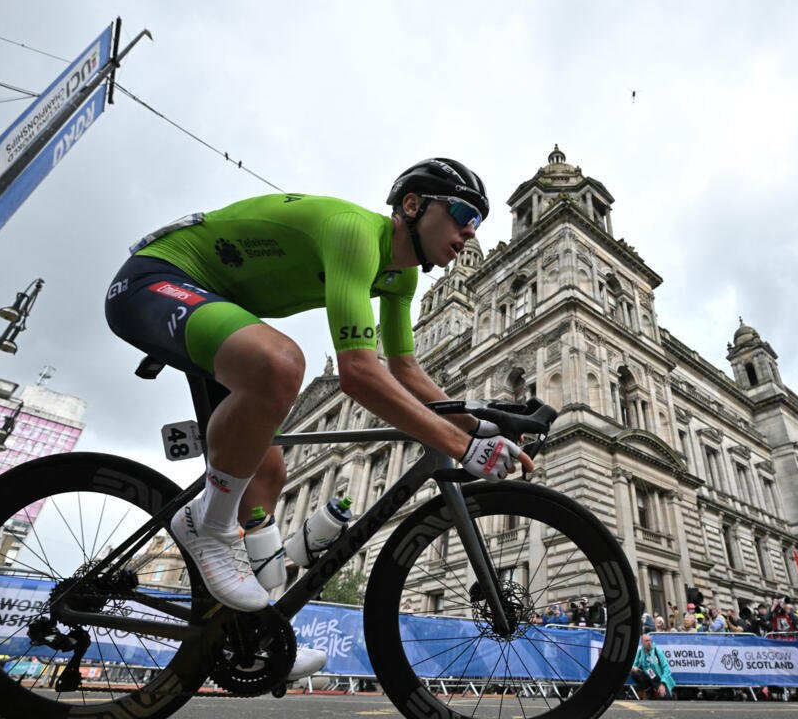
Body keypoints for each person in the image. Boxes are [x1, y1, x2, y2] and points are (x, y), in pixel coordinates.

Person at [104, 158, 532, 681]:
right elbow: (358, 373)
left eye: (479, 222)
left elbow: (405, 368)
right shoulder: (357, 233)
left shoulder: (400, 278)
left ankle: (255, 635)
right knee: (280, 363)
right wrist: (462, 447)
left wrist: (482, 423)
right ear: (413, 206)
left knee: (268, 474)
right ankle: (206, 523)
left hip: (217, 306)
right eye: (464, 212)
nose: (470, 231)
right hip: (157, 278)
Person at [630, 633, 675, 699]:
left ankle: (659, 691)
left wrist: (662, 684)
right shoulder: (639, 652)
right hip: (647, 677)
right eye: (646, 641)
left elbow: (666, 668)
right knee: (634, 673)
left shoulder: (657, 651)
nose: (649, 643)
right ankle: (649, 690)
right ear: (642, 643)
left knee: (666, 697)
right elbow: (634, 665)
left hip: (657, 679)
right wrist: (634, 668)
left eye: (650, 640)